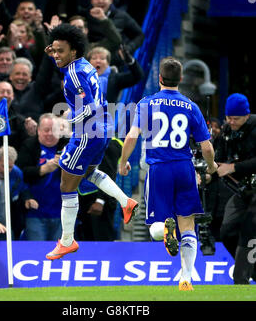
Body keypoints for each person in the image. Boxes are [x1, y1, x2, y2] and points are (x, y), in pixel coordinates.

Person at [118, 56, 217, 291]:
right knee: (189, 225)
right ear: (181, 79)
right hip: (185, 168)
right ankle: (186, 279)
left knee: (155, 228)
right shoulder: (191, 106)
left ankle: (165, 229)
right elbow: (207, 147)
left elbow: (132, 136)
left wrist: (123, 162)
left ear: (160, 78)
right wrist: (211, 166)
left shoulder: (147, 103)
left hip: (160, 168)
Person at [44, 23, 138, 260]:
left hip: (87, 131)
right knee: (89, 173)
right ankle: (125, 201)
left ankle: (66, 241)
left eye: (60, 51)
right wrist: (55, 53)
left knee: (66, 185)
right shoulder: (83, 65)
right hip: (103, 129)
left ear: (73, 51)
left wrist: (67, 118)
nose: (56, 55)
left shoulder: (73, 75)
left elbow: (89, 108)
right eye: (53, 50)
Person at [215, 93, 256, 284]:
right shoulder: (226, 131)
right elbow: (219, 158)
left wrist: (233, 167)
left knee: (249, 229)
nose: (231, 121)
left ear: (247, 116)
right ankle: (251, 270)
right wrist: (209, 172)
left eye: (236, 118)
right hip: (242, 190)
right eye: (228, 117)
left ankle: (241, 280)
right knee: (226, 231)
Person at [16, 113, 69, 241]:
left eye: (54, 130)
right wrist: (42, 169)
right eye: (46, 130)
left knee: (61, 257)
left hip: (63, 214)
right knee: (37, 253)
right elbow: (20, 174)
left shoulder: (67, 146)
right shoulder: (29, 146)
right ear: (38, 130)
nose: (50, 134)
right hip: (35, 214)